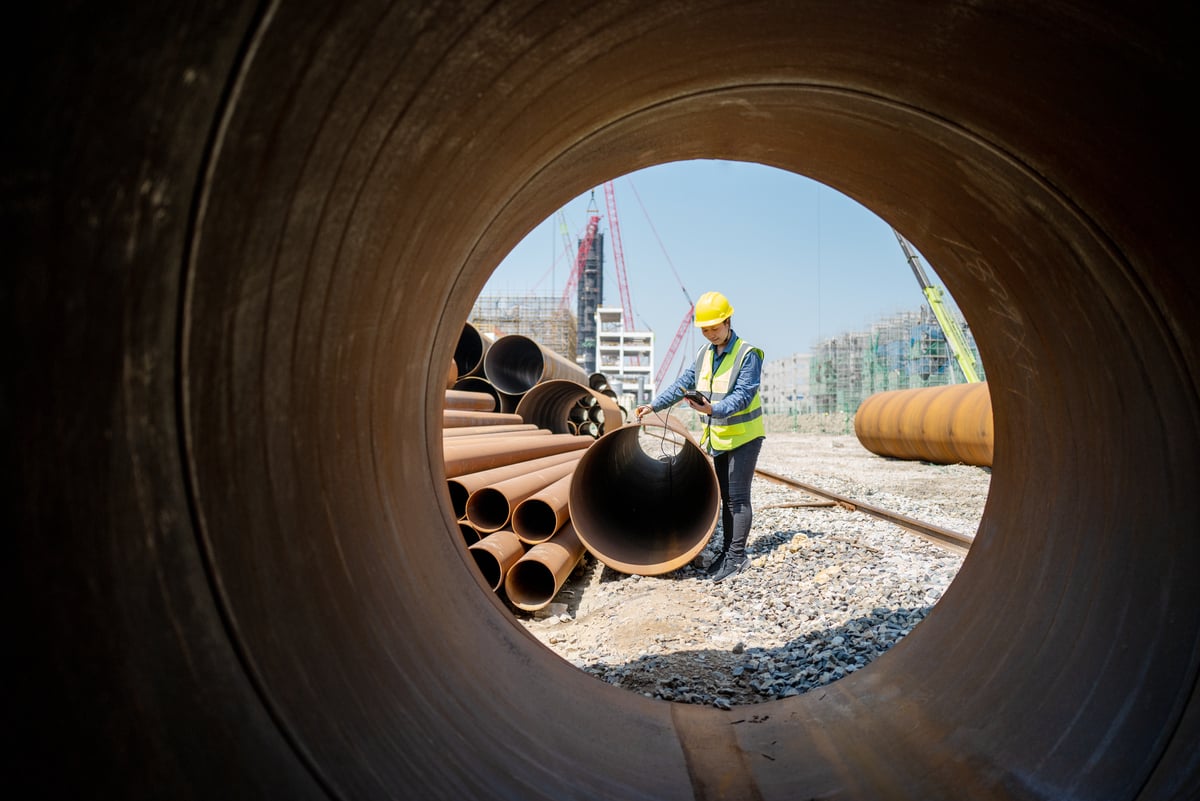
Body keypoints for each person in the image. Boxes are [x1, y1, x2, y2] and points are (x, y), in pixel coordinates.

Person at [635, 291, 766, 583]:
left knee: (738, 497)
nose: (709, 334)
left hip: (744, 436)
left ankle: (736, 557)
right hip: (719, 436)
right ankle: (728, 552)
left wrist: (712, 408)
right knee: (726, 497)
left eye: (714, 328)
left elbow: (744, 396)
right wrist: (654, 405)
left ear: (728, 321)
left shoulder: (748, 354)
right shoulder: (704, 355)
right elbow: (683, 385)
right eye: (705, 329)